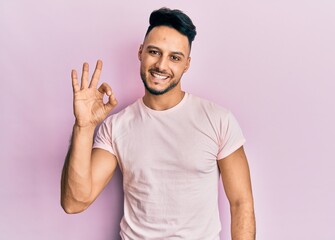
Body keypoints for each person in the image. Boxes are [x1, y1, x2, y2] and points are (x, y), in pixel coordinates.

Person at [61, 7, 256, 240]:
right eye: (154, 52)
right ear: (141, 52)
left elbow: (240, 203)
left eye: (175, 57)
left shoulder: (218, 120)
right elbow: (74, 202)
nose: (162, 65)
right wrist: (83, 127)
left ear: (187, 64)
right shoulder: (116, 127)